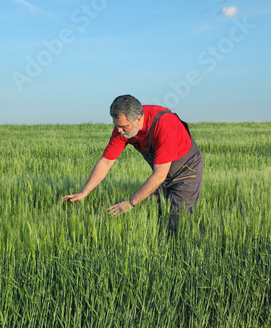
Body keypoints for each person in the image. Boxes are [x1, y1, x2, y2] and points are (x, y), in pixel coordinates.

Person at [62, 94, 204, 229]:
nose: (119, 130)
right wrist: (84, 192)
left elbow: (159, 175)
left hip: (187, 170)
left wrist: (131, 202)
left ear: (138, 119)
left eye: (124, 126)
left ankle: (178, 250)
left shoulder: (164, 125)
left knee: (177, 219)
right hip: (162, 171)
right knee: (156, 214)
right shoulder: (123, 129)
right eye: (117, 125)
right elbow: (106, 162)